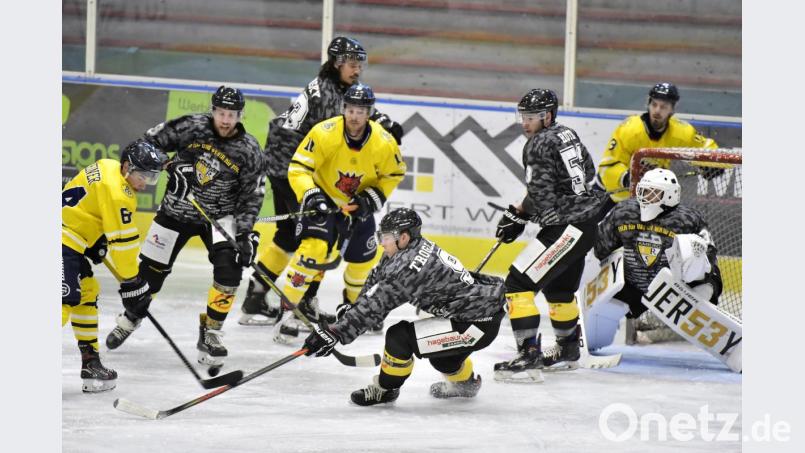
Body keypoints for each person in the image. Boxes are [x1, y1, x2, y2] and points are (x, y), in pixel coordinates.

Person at [240, 36, 404, 328]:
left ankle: (255, 297)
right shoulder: (328, 93)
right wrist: (384, 131)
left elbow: (361, 112)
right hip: (293, 168)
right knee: (320, 238)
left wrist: (386, 124)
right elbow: (346, 127)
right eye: (353, 65)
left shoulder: (332, 85)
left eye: (360, 65)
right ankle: (301, 305)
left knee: (288, 236)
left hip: (282, 163)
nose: (358, 70)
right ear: (337, 63)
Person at [104, 86, 265, 373]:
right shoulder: (190, 126)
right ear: (213, 110)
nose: (225, 120)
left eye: (232, 115)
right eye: (221, 113)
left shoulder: (249, 150)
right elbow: (144, 145)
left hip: (219, 217)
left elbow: (251, 196)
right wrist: (172, 165)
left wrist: (245, 233)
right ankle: (131, 317)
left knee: (230, 269)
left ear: (241, 115)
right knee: (150, 275)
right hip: (175, 211)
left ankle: (212, 330)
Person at [302, 208, 507, 405]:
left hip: (476, 325)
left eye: (387, 237)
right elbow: (378, 279)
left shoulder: (409, 266)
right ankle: (465, 384)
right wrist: (355, 308)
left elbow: (377, 305)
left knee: (399, 338)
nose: (382, 243)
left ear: (404, 237)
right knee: (443, 360)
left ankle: (385, 390)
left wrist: (336, 331)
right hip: (475, 315)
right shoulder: (408, 249)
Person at [273, 82, 406, 342]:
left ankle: (353, 310)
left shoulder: (383, 142)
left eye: (361, 111)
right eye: (351, 109)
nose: (355, 116)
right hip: (323, 203)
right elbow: (298, 168)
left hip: (357, 208)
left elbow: (394, 173)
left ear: (369, 113)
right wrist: (311, 196)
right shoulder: (324, 133)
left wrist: (371, 198)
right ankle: (288, 312)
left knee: (363, 260)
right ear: (344, 108)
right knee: (313, 250)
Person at [492, 88, 607, 382]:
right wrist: (520, 212)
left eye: (532, 117)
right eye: (524, 116)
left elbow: (541, 195)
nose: (525, 123)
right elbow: (590, 173)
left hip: (567, 227)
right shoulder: (568, 134)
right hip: (588, 224)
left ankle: (528, 355)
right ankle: (568, 350)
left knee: (518, 284)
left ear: (548, 116)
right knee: (559, 291)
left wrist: (520, 215)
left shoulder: (536, 145)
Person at [62, 139, 167, 392]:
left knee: (87, 291)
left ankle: (91, 362)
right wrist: (134, 283)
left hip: (70, 237)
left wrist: (93, 239)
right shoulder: (120, 193)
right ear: (127, 167)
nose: (145, 183)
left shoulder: (106, 165)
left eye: (151, 177)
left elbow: (84, 203)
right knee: (63, 300)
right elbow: (123, 247)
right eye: (142, 175)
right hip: (62, 241)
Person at [587, 167, 723, 349]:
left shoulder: (688, 219)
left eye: (652, 193)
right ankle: (594, 341)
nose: (645, 197)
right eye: (643, 191)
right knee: (605, 310)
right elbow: (600, 248)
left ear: (670, 196)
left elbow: (709, 254)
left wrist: (697, 282)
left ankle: (701, 309)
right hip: (634, 285)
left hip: (677, 288)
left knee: (696, 250)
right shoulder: (623, 212)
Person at [595, 82, 719, 207]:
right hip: (608, 196)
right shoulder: (629, 130)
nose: (657, 111)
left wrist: (711, 164)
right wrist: (628, 178)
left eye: (663, 107)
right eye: (654, 104)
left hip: (647, 201)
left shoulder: (681, 132)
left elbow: (707, 148)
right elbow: (607, 166)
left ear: (672, 109)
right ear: (648, 104)